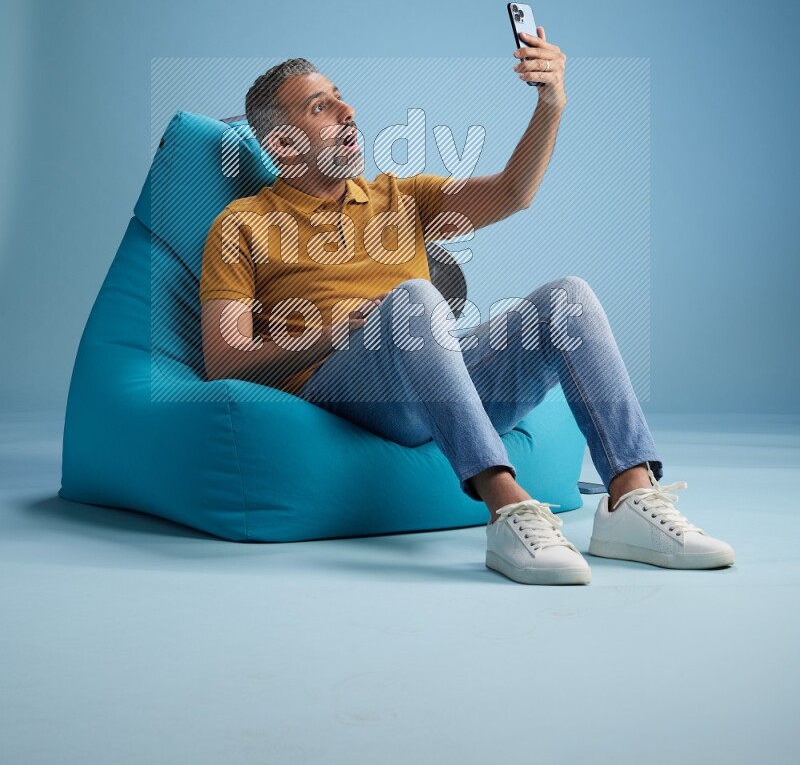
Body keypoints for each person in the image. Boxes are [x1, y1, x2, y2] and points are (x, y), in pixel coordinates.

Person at [199, 29, 735, 585]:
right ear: (283, 144)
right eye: (321, 106)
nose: (346, 109)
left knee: (567, 298)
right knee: (414, 297)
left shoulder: (398, 196)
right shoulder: (242, 223)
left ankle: (630, 497)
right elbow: (224, 360)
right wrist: (332, 334)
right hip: (346, 395)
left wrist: (551, 104)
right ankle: (507, 508)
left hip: (436, 382)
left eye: (340, 94)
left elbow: (512, 193)